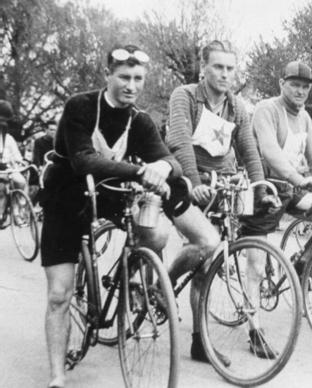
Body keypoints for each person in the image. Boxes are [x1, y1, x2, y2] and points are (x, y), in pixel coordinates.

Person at [40, 44, 193, 388]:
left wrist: (161, 165)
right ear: (107, 75)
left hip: (108, 195)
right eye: (124, 76)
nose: (131, 85)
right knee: (59, 294)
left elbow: (173, 161)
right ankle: (57, 377)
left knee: (156, 234)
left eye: (138, 78)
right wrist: (140, 173)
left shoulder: (139, 120)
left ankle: (133, 279)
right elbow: (83, 160)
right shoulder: (80, 107)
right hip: (66, 196)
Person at [165, 40, 275, 361]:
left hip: (221, 181)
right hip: (186, 178)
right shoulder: (185, 96)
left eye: (230, 68)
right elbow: (181, 141)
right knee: (203, 249)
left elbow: (248, 149)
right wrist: (195, 183)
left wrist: (260, 184)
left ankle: (206, 340)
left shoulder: (237, 106)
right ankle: (167, 282)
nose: (225, 74)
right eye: (218, 67)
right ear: (204, 68)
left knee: (214, 259)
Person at [247, 60, 312, 354]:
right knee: (256, 264)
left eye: (306, 87)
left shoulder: (304, 117)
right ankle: (254, 329)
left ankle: (301, 262)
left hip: (291, 188)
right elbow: (269, 150)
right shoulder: (266, 109)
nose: (301, 91)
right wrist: (299, 179)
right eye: (295, 84)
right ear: (282, 83)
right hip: (264, 187)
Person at [0, 100, 27, 223]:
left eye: (5, 121)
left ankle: (17, 209)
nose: (3, 123)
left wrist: (22, 162)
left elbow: (16, 155)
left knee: (21, 182)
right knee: (1, 188)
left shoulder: (9, 138)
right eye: (1, 120)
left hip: (8, 168)